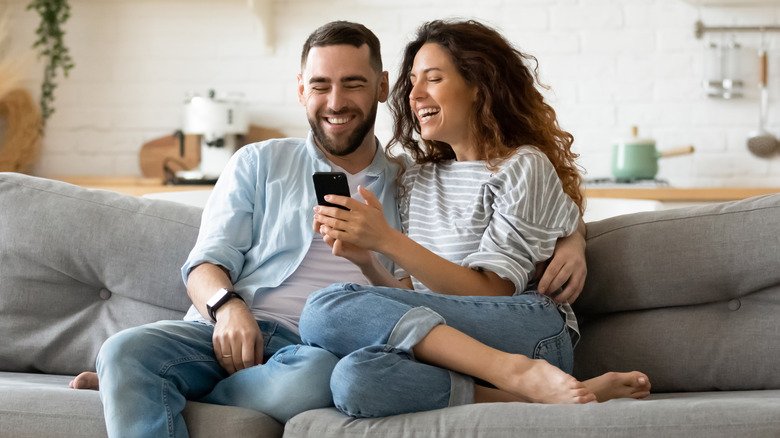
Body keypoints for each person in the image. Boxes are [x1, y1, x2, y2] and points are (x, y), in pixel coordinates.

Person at [69, 20, 588, 434]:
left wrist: (575, 238)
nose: (335, 102)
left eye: (353, 84)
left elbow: (521, 210)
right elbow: (205, 263)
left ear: (382, 88)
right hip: (228, 331)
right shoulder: (258, 163)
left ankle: (156, 388)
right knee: (123, 349)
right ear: (301, 90)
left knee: (320, 376)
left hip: (313, 353)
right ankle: (137, 376)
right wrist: (228, 310)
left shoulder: (405, 181)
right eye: (320, 85)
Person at [299, 19, 651, 419]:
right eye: (412, 81)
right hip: (452, 341)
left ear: (479, 86)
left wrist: (388, 240)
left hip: (526, 331)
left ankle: (518, 371)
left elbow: (494, 292)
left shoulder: (521, 167)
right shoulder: (416, 178)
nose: (414, 94)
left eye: (432, 78)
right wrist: (366, 259)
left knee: (323, 308)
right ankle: (535, 393)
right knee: (353, 380)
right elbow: (412, 297)